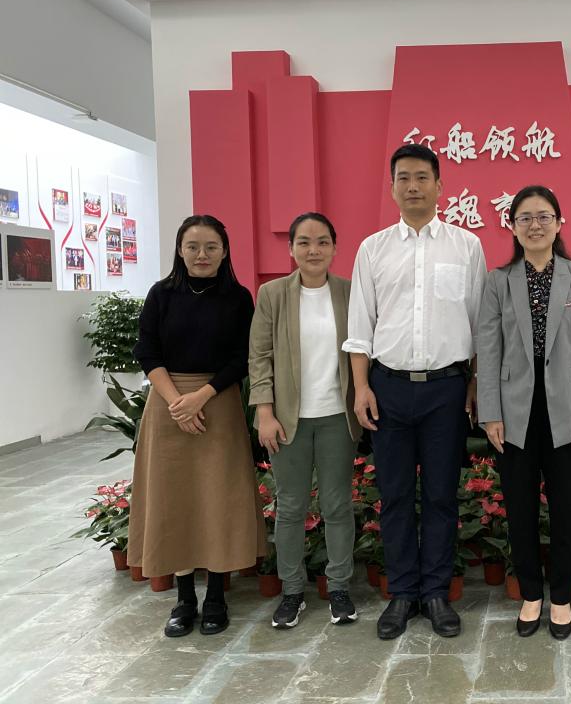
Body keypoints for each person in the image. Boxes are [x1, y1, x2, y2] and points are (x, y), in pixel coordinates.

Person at [343, 144, 486, 640]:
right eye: (403, 177)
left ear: (439, 185)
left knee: (443, 495)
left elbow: (479, 326)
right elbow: (360, 327)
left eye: (422, 177)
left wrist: (474, 383)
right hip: (389, 388)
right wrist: (362, 387)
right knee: (396, 495)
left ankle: (436, 594)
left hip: (447, 389)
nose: (413, 186)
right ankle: (403, 593)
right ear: (392, 187)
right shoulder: (373, 248)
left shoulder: (466, 246)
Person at [476, 185, 571, 641]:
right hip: (515, 414)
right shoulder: (498, 281)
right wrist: (490, 413)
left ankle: (562, 597)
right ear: (512, 226)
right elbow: (488, 349)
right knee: (520, 510)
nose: (535, 225)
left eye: (544, 216)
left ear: (559, 223)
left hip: (569, 412)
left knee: (567, 509)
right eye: (525, 217)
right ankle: (531, 594)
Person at [130, 214, 264, 638]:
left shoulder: (238, 297)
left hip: (217, 403)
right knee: (174, 500)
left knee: (218, 498)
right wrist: (177, 403)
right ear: (180, 250)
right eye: (193, 246)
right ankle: (185, 598)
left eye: (210, 246)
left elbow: (243, 357)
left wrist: (201, 397)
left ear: (224, 251)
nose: (201, 254)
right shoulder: (161, 294)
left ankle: (217, 597)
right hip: (168, 406)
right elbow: (147, 351)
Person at [248, 212, 363, 630]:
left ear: (334, 247)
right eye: (304, 242)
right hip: (287, 420)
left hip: (337, 418)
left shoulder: (350, 292)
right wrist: (264, 411)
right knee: (291, 507)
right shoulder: (273, 294)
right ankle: (292, 592)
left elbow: (363, 348)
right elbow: (259, 356)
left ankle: (339, 588)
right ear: (291, 248)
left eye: (322, 242)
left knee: (337, 505)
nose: (313, 250)